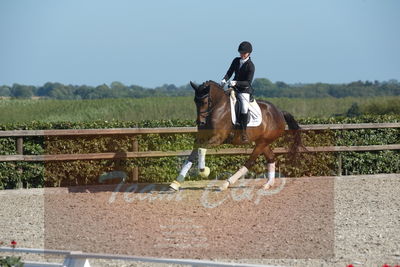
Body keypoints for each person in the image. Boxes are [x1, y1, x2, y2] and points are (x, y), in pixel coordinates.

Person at [221, 41, 255, 143]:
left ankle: (244, 133)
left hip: (244, 90)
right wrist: (224, 79)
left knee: (244, 107)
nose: (242, 55)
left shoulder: (250, 66)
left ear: (249, 53)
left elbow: (248, 82)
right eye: (241, 52)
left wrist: (236, 82)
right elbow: (229, 72)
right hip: (233, 88)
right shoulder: (236, 60)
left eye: (244, 53)